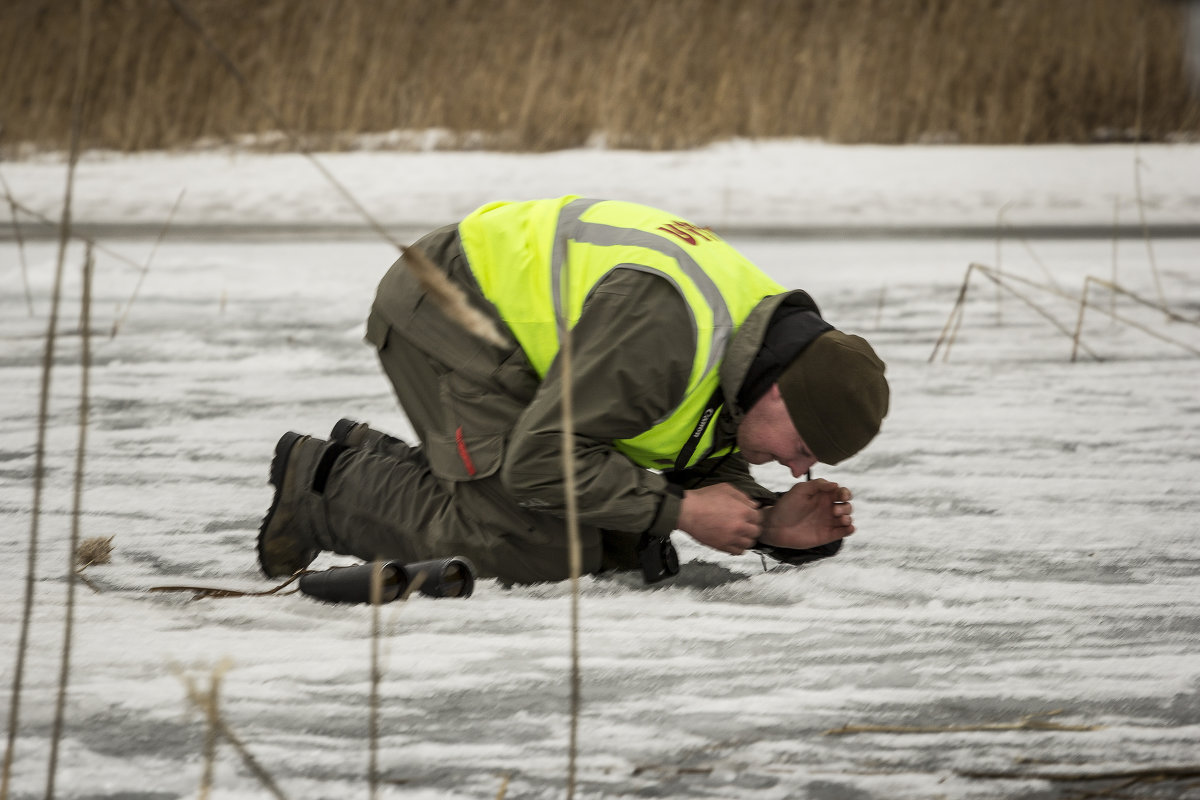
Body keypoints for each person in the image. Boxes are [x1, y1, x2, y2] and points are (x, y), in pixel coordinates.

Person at [257, 196, 889, 585]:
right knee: (541, 551)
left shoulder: (759, 348)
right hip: (451, 310)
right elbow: (539, 462)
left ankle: (382, 461)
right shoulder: (669, 331)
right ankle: (320, 486)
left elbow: (698, 449)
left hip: (529, 354)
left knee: (614, 542)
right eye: (804, 445)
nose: (800, 466)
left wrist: (768, 522)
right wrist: (683, 513)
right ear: (777, 393)